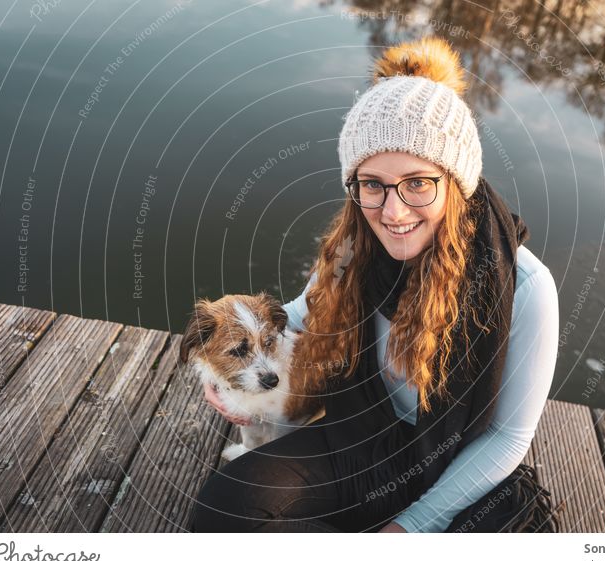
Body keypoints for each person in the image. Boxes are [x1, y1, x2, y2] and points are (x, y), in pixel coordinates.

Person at [190, 36, 559, 533]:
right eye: (372, 184)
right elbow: (300, 314)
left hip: (450, 462)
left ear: (456, 181)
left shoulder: (526, 287)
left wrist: (412, 527)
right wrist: (224, 374)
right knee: (222, 509)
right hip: (362, 431)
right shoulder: (353, 247)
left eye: (418, 182)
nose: (392, 211)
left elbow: (507, 439)